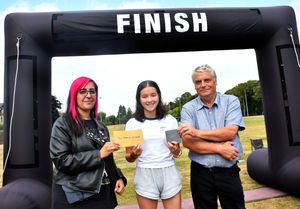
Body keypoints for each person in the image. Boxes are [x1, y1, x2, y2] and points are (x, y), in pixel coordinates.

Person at [50, 76, 127, 209]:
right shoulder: (63, 124)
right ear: (74, 95)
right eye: (82, 91)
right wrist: (98, 154)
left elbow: (107, 159)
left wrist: (118, 176)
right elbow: (61, 161)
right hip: (73, 196)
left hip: (103, 195)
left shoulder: (101, 126)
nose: (89, 95)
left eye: (92, 91)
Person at [178, 65, 246, 209]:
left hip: (229, 171)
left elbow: (230, 132)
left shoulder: (231, 101)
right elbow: (187, 141)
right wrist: (220, 148)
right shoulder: (188, 108)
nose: (203, 85)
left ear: (215, 81)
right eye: (198, 82)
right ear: (195, 86)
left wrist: (196, 132)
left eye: (207, 80)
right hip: (200, 173)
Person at [125, 80, 182, 209]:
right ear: (139, 99)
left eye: (153, 95)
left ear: (159, 96)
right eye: (144, 96)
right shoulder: (132, 124)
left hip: (169, 172)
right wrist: (134, 154)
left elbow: (177, 152)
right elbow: (128, 157)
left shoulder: (170, 121)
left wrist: (175, 151)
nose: (149, 100)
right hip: (144, 173)